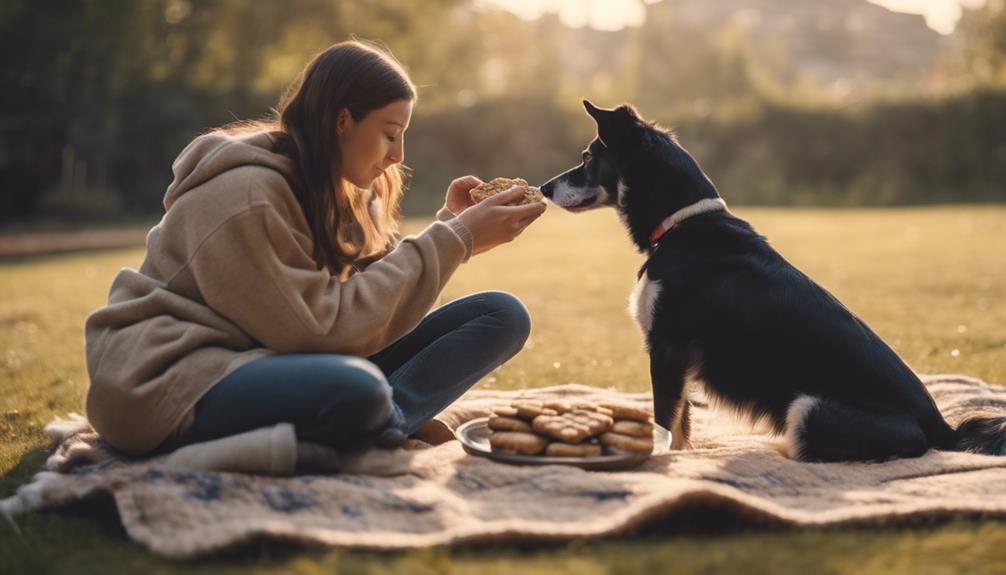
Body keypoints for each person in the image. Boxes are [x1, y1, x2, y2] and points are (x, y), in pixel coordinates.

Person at [83, 40, 546, 461]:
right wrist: (457, 239)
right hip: (172, 379)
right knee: (356, 388)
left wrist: (453, 228)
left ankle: (379, 423)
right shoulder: (247, 195)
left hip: (270, 358)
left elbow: (363, 301)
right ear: (342, 120)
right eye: (389, 133)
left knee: (501, 314)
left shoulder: (331, 187)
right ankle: (377, 420)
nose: (398, 154)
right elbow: (321, 330)